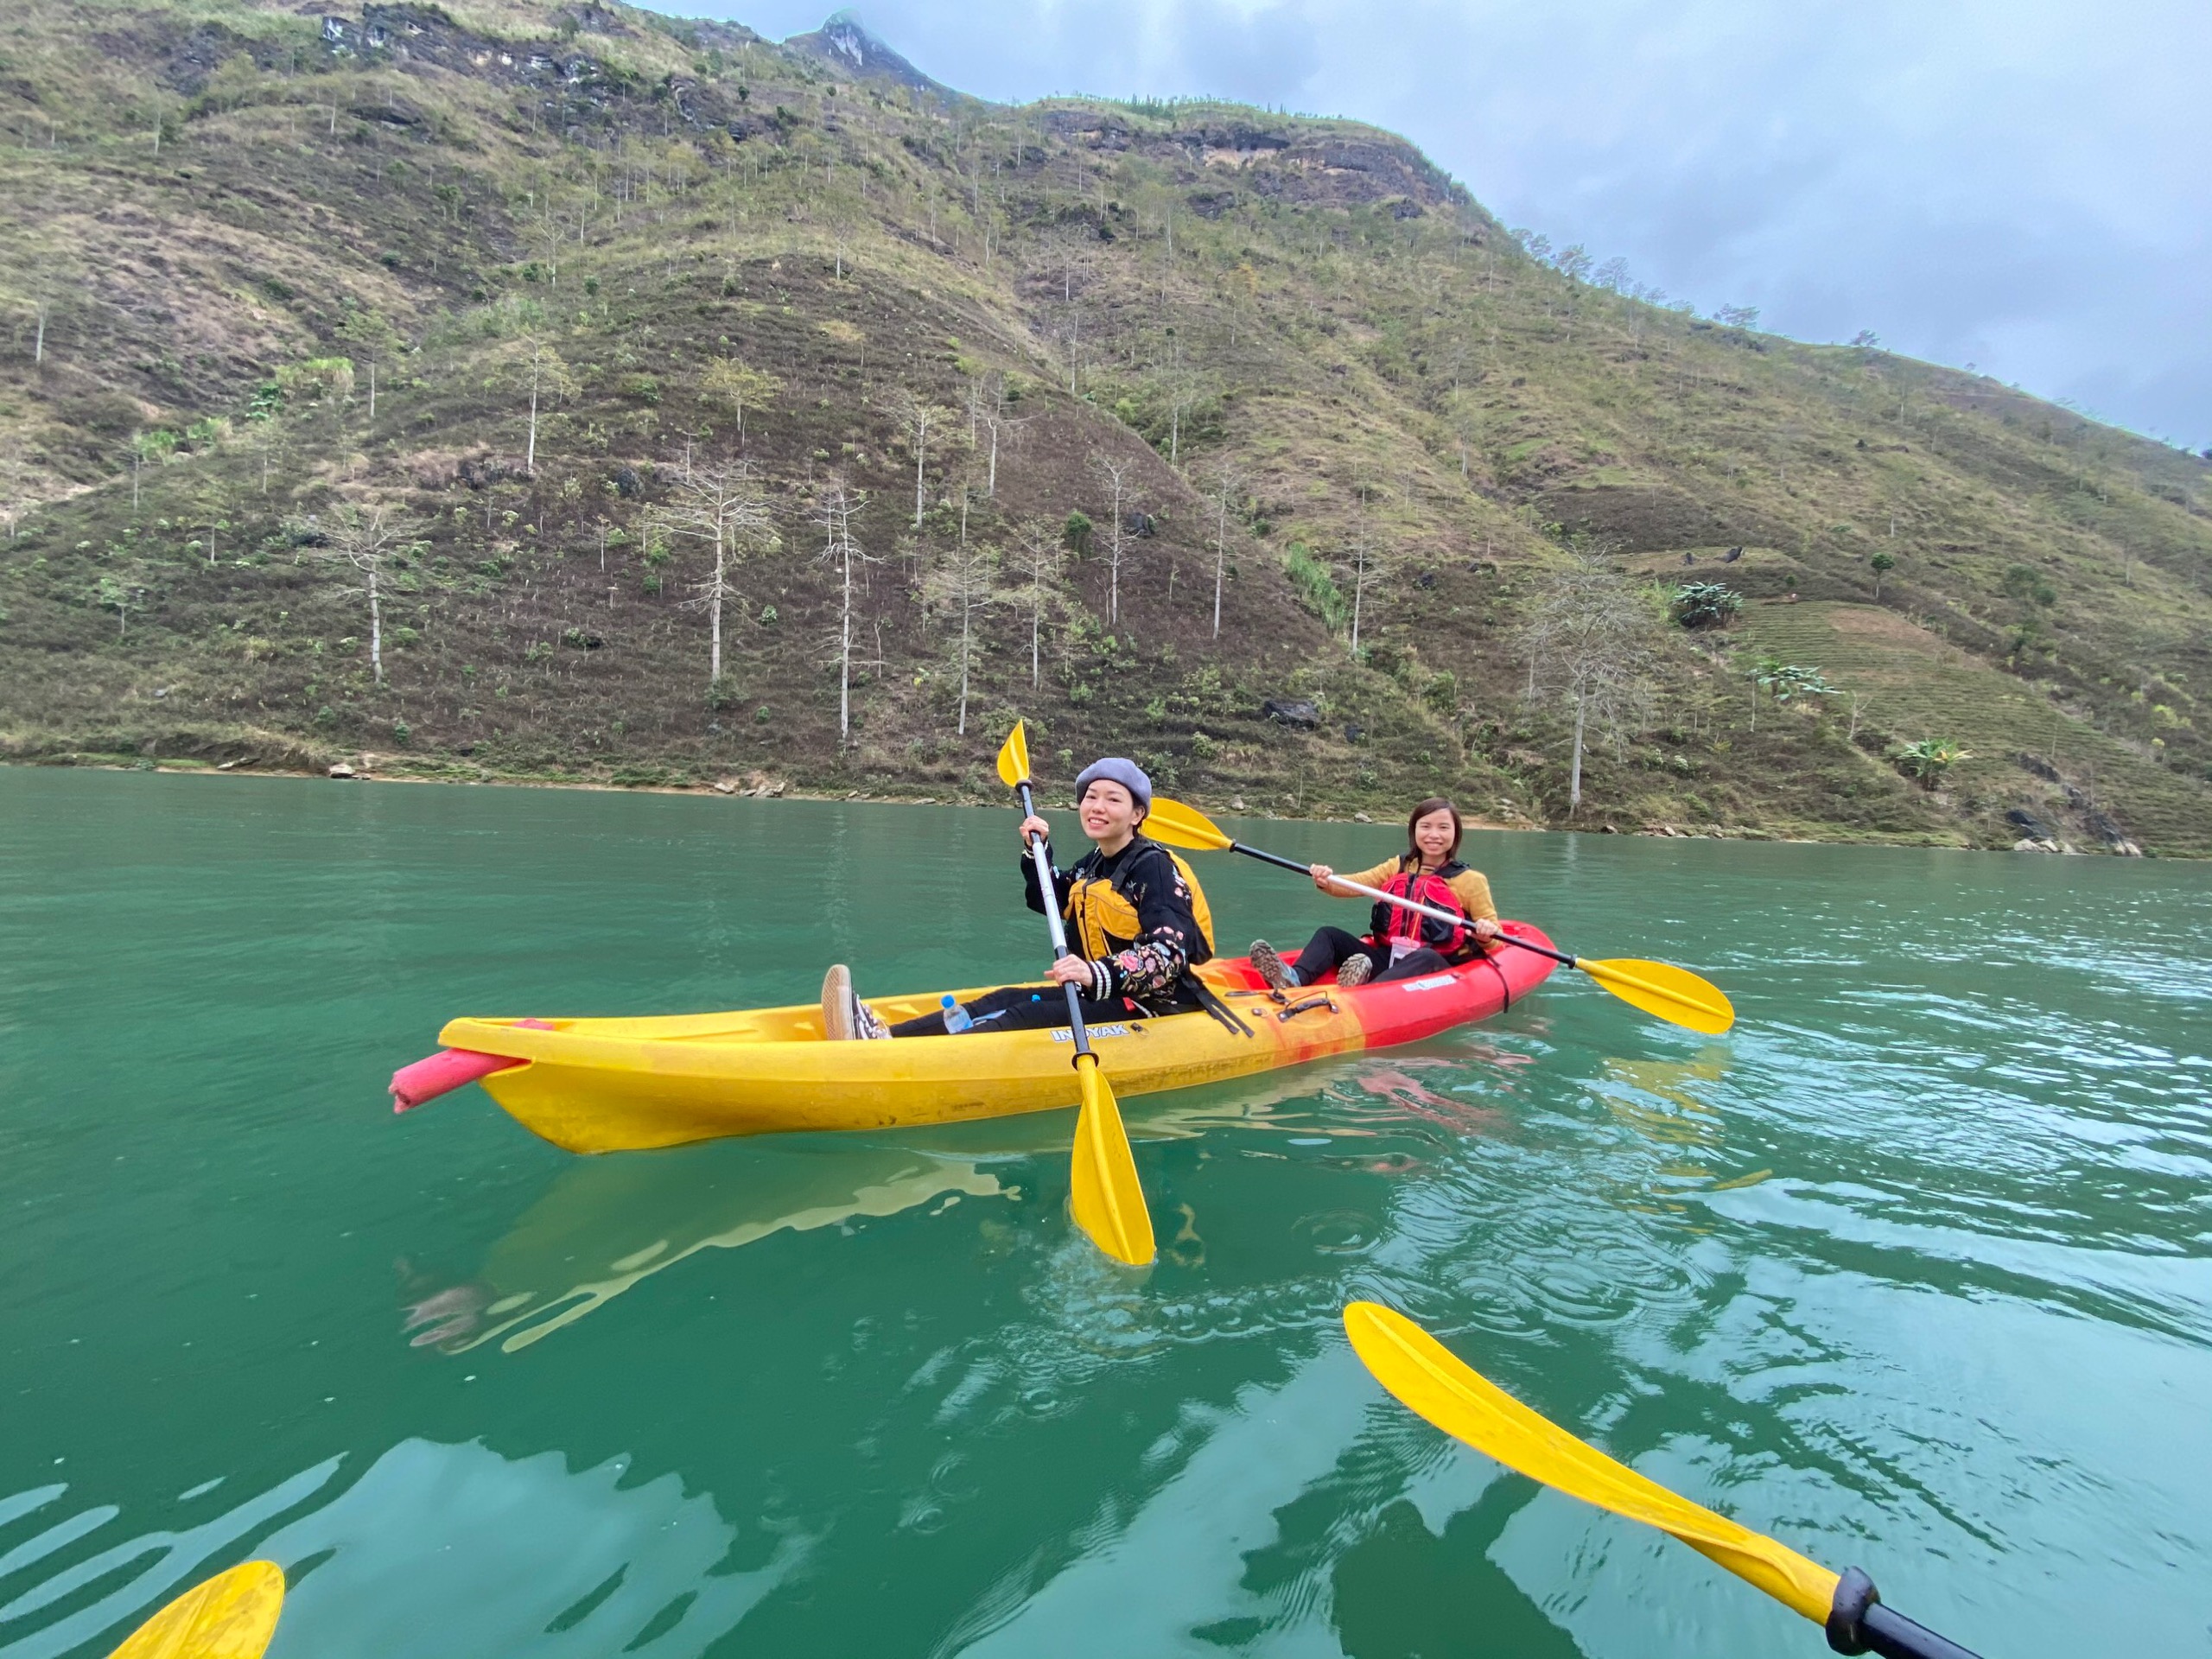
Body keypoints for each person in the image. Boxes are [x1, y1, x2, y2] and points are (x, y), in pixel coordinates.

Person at [820, 757, 1225, 1039]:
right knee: (1004, 999)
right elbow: (1046, 897)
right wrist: (1038, 850)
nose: (1097, 807)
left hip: (1155, 1006)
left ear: (1137, 815)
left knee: (1022, 1014)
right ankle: (886, 1037)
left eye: (1112, 799)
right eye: (1090, 797)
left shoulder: (1152, 867)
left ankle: (911, 1056)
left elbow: (1169, 954)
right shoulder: (1096, 864)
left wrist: (1093, 974)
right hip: (1102, 996)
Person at [1249, 796, 1500, 991]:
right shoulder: (1397, 866)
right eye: (1426, 826)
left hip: (1437, 967)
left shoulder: (1471, 881)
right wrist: (1326, 879)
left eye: (1443, 827)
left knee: (1425, 955)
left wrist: (1485, 934)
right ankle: (1294, 978)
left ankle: (1366, 993)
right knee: (1329, 935)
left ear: (1455, 834)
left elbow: (1495, 938)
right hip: (1389, 957)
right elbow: (1354, 884)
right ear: (1414, 831)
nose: (1434, 835)